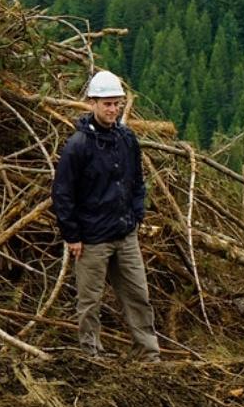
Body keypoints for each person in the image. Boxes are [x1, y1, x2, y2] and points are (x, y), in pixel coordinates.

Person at [51, 70, 162, 362]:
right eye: (106, 103)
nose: (112, 109)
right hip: (91, 240)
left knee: (138, 296)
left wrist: (137, 214)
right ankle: (91, 356)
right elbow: (63, 193)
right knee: (89, 302)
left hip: (125, 235)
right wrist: (72, 235)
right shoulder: (78, 146)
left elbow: (137, 181)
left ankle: (148, 354)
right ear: (92, 103)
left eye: (116, 103)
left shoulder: (127, 139)